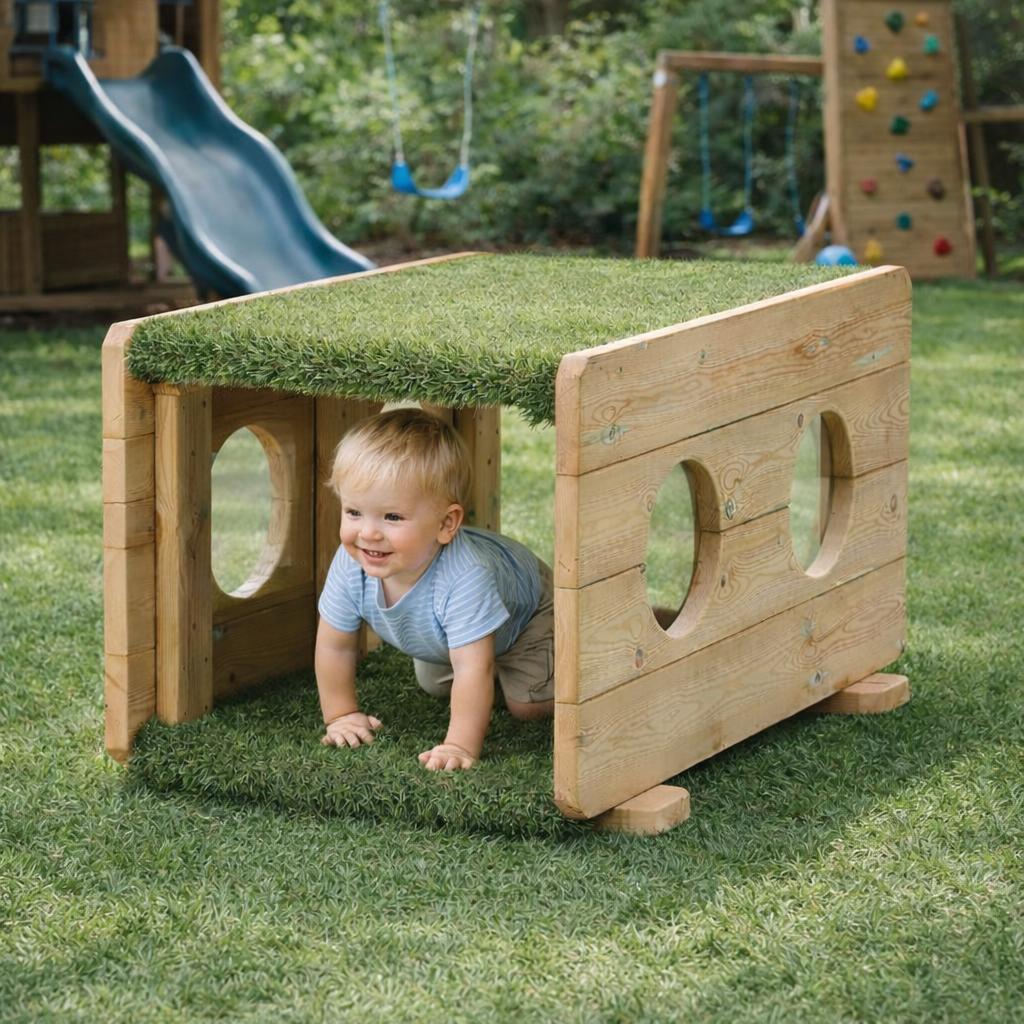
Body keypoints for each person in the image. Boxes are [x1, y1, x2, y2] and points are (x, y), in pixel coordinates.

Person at [315, 407, 554, 772]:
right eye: (353, 512)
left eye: (392, 517)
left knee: (527, 706)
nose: (368, 533)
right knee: (437, 685)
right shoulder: (352, 562)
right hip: (448, 634)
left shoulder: (464, 577)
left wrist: (459, 745)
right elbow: (335, 645)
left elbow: (473, 667)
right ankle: (495, 665)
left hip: (529, 613)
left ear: (446, 524)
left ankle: (580, 656)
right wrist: (342, 714)